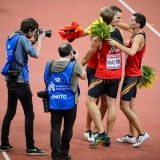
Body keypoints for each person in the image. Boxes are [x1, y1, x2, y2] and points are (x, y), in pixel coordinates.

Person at [0, 18, 47, 155]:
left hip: (10, 79)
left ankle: (4, 143)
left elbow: (20, 48)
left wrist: (33, 41)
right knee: (29, 114)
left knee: (10, 112)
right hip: (21, 81)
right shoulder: (22, 39)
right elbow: (36, 54)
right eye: (33, 33)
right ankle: (30, 147)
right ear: (30, 30)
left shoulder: (11, 37)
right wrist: (41, 42)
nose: (33, 36)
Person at [81, 7, 124, 146]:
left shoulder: (98, 38)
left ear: (101, 18)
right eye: (117, 18)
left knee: (89, 102)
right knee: (111, 105)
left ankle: (101, 132)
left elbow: (87, 58)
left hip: (102, 74)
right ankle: (108, 137)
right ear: (111, 19)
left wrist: (71, 68)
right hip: (117, 74)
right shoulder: (120, 33)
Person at [106, 13, 149, 147]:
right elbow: (124, 27)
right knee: (131, 105)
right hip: (135, 73)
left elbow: (131, 52)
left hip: (131, 76)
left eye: (131, 21)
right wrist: (113, 22)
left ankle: (142, 133)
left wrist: (116, 44)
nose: (128, 22)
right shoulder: (136, 32)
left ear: (137, 25)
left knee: (123, 106)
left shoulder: (139, 37)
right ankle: (131, 135)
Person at [44, 43, 86, 160]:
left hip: (54, 102)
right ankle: (64, 153)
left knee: (55, 128)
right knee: (68, 128)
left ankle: (55, 155)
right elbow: (84, 76)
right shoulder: (73, 65)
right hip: (70, 103)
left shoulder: (49, 64)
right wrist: (77, 60)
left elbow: (46, 80)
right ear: (71, 53)